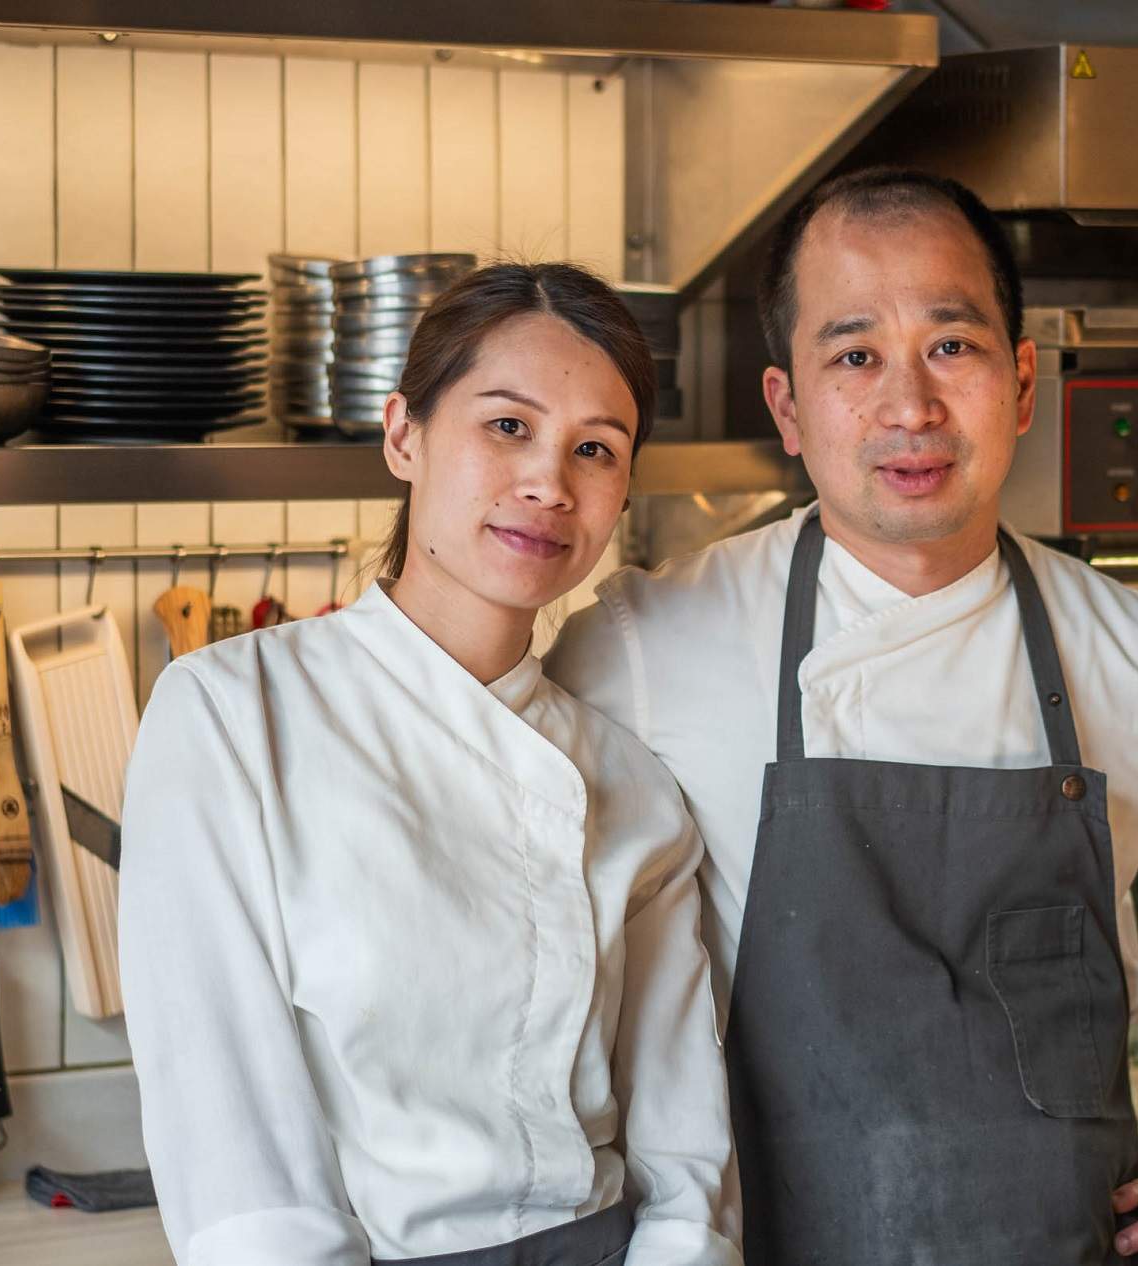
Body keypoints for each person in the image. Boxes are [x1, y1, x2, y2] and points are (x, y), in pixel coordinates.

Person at [545, 170, 1138, 1266]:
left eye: (952, 346)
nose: (910, 407)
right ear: (788, 409)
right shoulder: (646, 642)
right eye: (854, 355)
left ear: (1025, 382)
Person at [120, 263, 742, 1266]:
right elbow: (224, 1117)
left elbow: (680, 1137)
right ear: (404, 435)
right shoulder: (236, 716)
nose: (548, 482)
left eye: (596, 448)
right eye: (507, 427)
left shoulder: (629, 780)